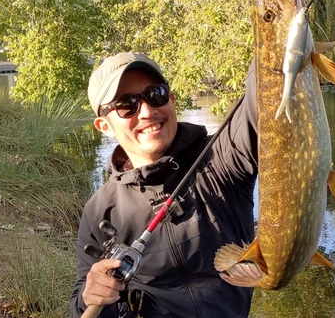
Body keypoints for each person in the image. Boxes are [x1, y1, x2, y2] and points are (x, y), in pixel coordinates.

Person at [70, 52, 258, 317]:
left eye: (155, 94)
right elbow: (81, 303)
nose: (147, 111)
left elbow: (263, 101)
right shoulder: (101, 210)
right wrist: (90, 295)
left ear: (171, 99)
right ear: (104, 125)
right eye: (127, 105)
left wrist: (279, 33)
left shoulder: (221, 156)